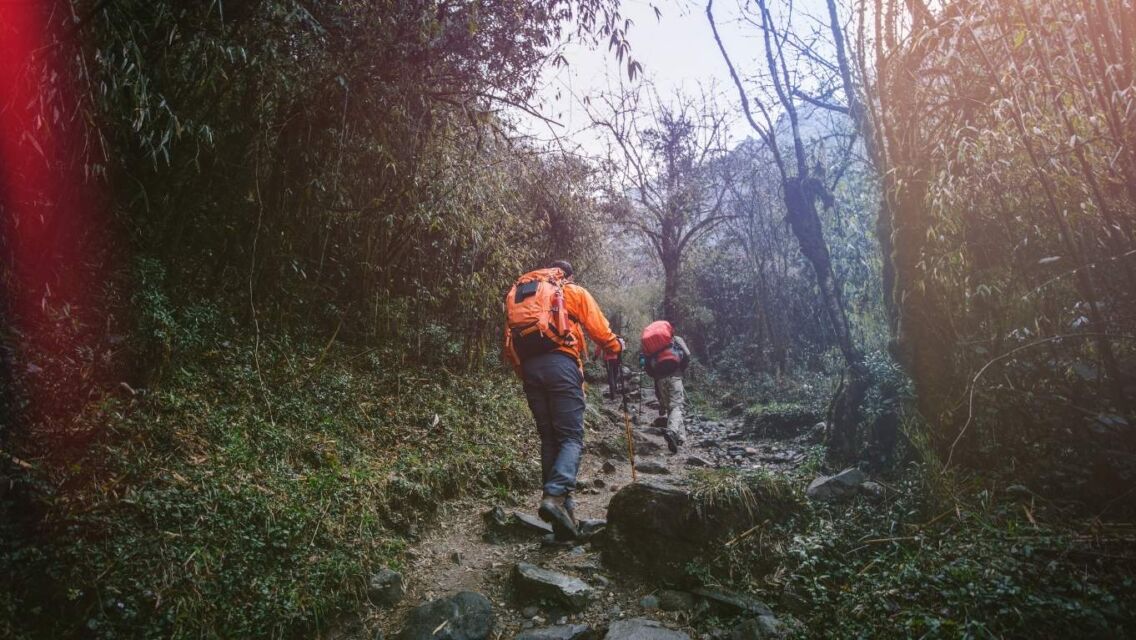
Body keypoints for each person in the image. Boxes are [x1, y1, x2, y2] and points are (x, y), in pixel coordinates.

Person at [503, 260, 623, 540]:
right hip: (561, 365)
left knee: (550, 439)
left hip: (530, 370)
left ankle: (564, 521)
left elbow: (509, 341)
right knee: (571, 438)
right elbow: (599, 329)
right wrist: (616, 345)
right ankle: (555, 497)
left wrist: (526, 372)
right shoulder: (568, 290)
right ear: (566, 274)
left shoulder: (521, 295)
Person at [640, 320, 690, 454]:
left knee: (671, 408)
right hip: (675, 376)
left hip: (660, 379)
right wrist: (681, 369)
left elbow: (648, 366)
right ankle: (673, 431)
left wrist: (656, 376)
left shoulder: (651, 347)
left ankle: (680, 438)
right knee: (677, 406)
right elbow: (687, 355)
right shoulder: (676, 340)